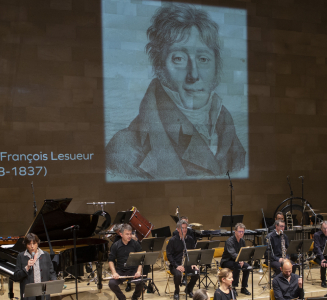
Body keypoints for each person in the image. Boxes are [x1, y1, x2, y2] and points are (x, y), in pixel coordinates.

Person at [105, 3, 246, 181]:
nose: (193, 74)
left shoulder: (227, 131)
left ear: (216, 66)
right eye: (178, 58)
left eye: (203, 59)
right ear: (159, 65)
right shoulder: (125, 149)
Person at [108, 224, 144, 300]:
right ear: (121, 234)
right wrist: (114, 273)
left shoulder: (136, 244)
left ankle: (135, 298)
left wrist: (138, 271)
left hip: (133, 270)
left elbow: (141, 259)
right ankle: (121, 298)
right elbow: (111, 260)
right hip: (121, 271)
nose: (129, 236)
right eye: (127, 234)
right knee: (111, 283)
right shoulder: (115, 245)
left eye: (130, 234)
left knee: (141, 282)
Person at [166, 220, 200, 300]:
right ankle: (177, 291)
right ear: (177, 229)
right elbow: (169, 255)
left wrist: (193, 263)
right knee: (177, 274)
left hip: (187, 264)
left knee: (196, 272)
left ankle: (188, 289)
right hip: (175, 265)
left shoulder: (190, 239)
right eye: (182, 228)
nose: (184, 230)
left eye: (185, 228)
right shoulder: (173, 240)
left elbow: (193, 253)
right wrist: (177, 266)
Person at [221, 223, 252, 295]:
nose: (241, 233)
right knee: (237, 266)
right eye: (239, 231)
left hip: (238, 260)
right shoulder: (229, 241)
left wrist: (242, 261)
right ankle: (234, 287)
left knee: (248, 267)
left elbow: (243, 252)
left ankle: (244, 287)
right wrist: (240, 260)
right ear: (235, 231)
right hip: (227, 261)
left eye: (242, 232)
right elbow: (233, 253)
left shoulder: (242, 241)